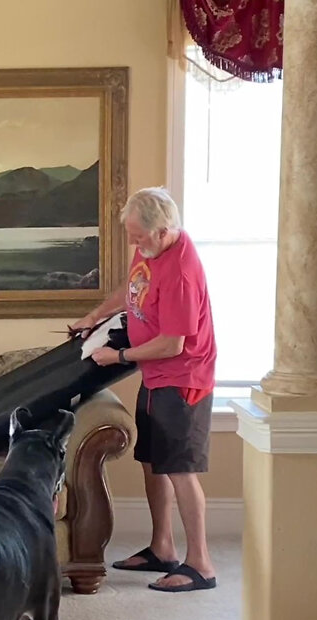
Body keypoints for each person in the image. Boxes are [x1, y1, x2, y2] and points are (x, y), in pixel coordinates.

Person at [72, 187, 218, 592]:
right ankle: (163, 548)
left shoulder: (182, 273)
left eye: (139, 237)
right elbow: (132, 288)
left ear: (165, 230)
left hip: (183, 378)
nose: (135, 244)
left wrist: (119, 358)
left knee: (179, 469)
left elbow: (174, 344)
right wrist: (96, 314)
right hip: (155, 375)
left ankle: (201, 565)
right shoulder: (151, 250)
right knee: (153, 461)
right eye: (131, 236)